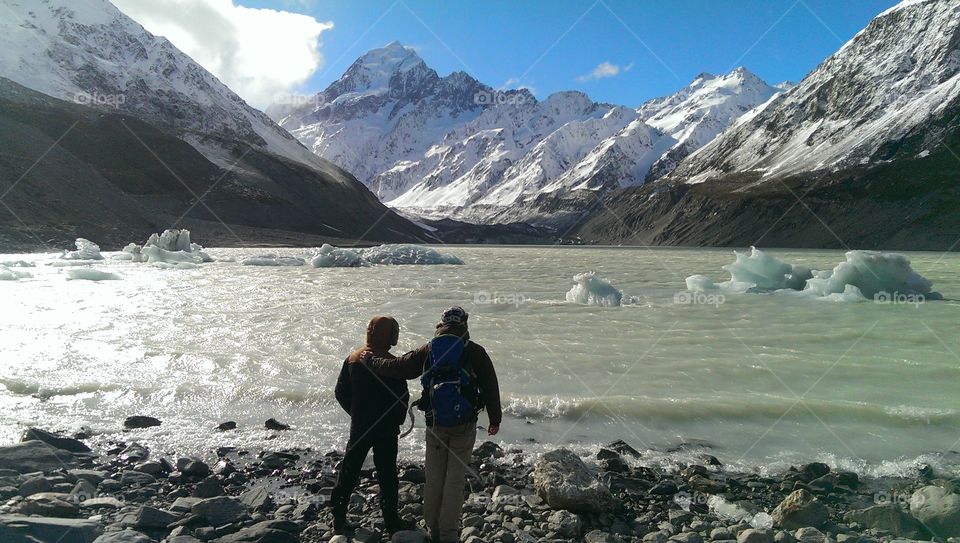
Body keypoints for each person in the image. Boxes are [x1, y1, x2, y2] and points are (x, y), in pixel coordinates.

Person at [355, 306, 502, 543]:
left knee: (434, 479)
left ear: (440, 324)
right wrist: (495, 419)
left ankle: (433, 531)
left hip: (435, 423)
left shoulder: (429, 349)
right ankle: (448, 535)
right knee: (454, 481)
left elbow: (398, 367)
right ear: (465, 324)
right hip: (464, 426)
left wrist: (372, 360)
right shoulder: (475, 352)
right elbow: (490, 388)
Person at [331, 316, 414, 536]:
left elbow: (340, 392)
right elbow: (402, 398)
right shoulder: (391, 363)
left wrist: (356, 414)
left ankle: (338, 520)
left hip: (360, 427)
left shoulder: (352, 359)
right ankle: (392, 522)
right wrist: (396, 421)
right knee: (388, 476)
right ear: (390, 336)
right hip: (386, 431)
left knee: (349, 472)